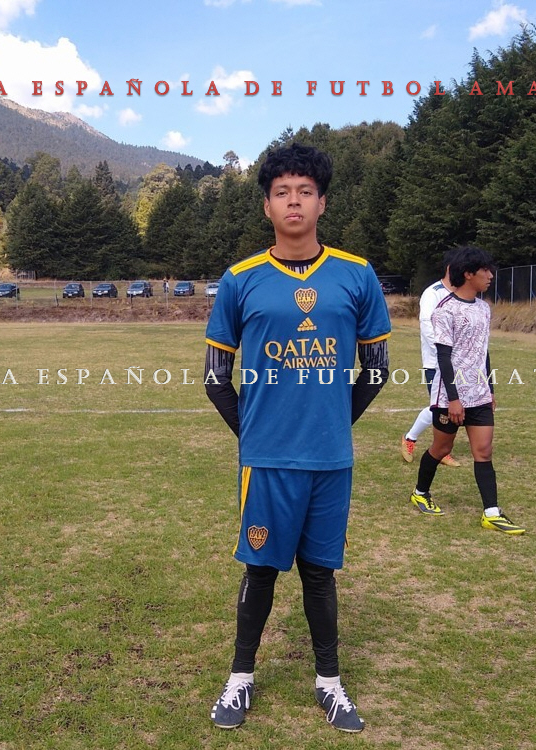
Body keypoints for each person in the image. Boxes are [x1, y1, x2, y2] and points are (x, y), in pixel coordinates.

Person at [204, 143, 391, 733]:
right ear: (266, 205)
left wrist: (332, 424)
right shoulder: (240, 280)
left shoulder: (357, 274)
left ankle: (329, 683)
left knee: (319, 573)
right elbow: (215, 378)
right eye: (282, 192)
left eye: (304, 191)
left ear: (322, 202)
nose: (293, 201)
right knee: (260, 569)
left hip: (330, 459)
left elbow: (377, 368)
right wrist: (258, 435)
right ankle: (240, 677)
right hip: (266, 461)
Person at [408, 246, 525, 534]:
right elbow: (443, 358)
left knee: (483, 451)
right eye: (485, 270)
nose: (491, 275)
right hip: (451, 396)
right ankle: (420, 493)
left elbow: (484, 352)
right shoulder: (445, 310)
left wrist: (490, 388)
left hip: (479, 393)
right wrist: (454, 399)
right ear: (469, 274)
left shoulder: (484, 308)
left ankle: (491, 513)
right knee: (441, 448)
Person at [400, 250, 461, 468]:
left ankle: (441, 448)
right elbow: (427, 324)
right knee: (440, 407)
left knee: (453, 406)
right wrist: (445, 352)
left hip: (459, 363)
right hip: (436, 362)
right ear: (450, 268)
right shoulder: (433, 293)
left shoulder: (462, 293)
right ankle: (411, 439)